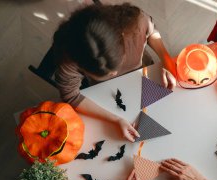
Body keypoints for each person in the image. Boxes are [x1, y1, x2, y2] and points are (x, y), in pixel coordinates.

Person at [53, 3, 176, 142]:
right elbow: (71, 96)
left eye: (116, 64)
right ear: (82, 67)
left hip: (146, 74)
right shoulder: (69, 58)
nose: (115, 73)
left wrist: (167, 61)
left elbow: (152, 32)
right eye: (106, 73)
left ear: (122, 37)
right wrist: (115, 119)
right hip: (106, 94)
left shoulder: (136, 23)